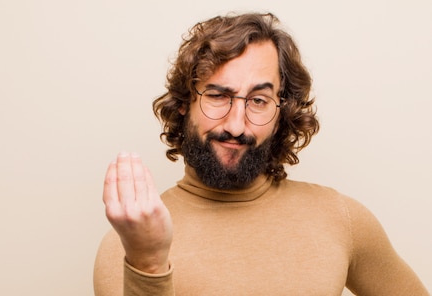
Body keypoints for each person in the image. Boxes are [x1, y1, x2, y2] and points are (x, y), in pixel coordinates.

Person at [93, 12, 429, 295]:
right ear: (184, 103)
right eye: (218, 95)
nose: (237, 125)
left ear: (283, 111)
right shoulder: (127, 248)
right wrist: (148, 263)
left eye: (258, 100)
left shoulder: (343, 220)